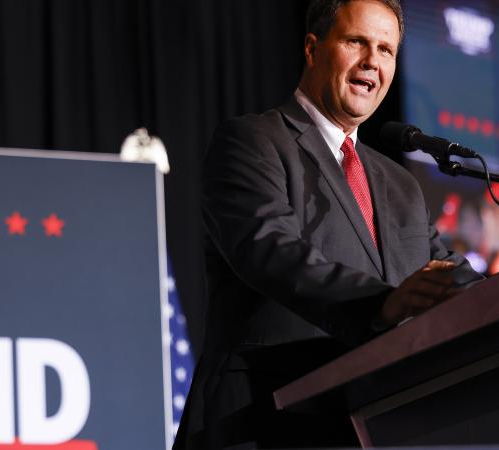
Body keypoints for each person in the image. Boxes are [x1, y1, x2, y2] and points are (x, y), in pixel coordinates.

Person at [174, 0, 482, 448]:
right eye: (356, 41)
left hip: (378, 423)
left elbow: (441, 274)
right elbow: (270, 250)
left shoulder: (400, 184)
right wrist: (382, 303)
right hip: (263, 419)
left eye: (386, 49)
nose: (371, 61)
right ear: (312, 48)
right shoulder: (253, 141)